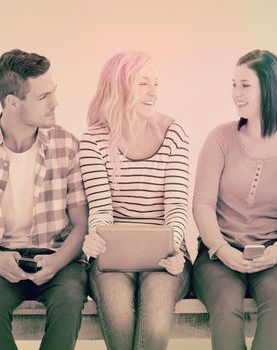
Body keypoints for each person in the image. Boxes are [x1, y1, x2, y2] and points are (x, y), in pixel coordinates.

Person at [0, 49, 88, 350]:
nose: (55, 103)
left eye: (54, 92)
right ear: (13, 102)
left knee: (70, 298)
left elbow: (81, 223)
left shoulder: (67, 145)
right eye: (43, 97)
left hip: (58, 258)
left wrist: (59, 260)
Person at [192, 49, 277, 350]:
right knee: (227, 307)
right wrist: (222, 249)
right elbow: (202, 203)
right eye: (233, 84)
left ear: (269, 88)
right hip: (217, 257)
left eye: (245, 85)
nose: (236, 94)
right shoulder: (220, 138)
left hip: (274, 257)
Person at [79, 51, 191, 350]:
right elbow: (101, 209)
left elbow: (177, 207)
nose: (153, 92)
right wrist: (97, 238)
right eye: (143, 83)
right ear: (120, 86)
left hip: (166, 257)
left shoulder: (174, 133)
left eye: (156, 83)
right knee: (118, 318)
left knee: (154, 325)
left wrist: (173, 245)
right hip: (113, 257)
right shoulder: (92, 140)